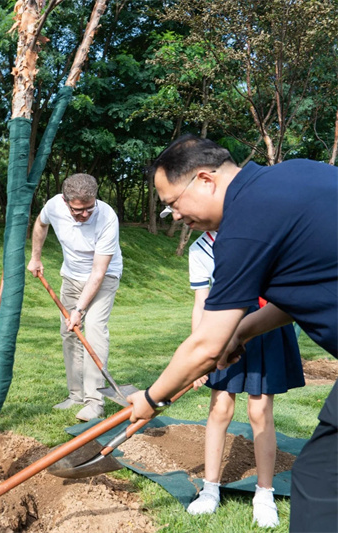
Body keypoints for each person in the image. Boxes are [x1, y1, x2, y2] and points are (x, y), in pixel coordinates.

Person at [129, 134, 337, 532]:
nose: (173, 216)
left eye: (173, 203)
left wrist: (152, 399)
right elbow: (298, 296)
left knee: (321, 482)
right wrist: (241, 333)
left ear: (205, 180)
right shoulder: (301, 172)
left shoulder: (242, 228)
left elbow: (207, 345)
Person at [182, 229, 304, 527]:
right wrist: (200, 352)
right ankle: (210, 490)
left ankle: (264, 495)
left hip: (266, 322)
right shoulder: (200, 249)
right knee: (220, 408)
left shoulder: (259, 230)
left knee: (259, 409)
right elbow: (201, 302)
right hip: (222, 326)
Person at [27, 173, 123, 421]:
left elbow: (99, 271)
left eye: (89, 208)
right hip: (71, 277)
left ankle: (94, 402)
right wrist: (36, 257)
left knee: (93, 328)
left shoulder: (107, 217)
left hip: (103, 277)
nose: (85, 215)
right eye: (78, 210)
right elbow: (40, 223)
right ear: (65, 200)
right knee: (69, 334)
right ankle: (76, 395)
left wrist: (79, 311)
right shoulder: (54, 206)